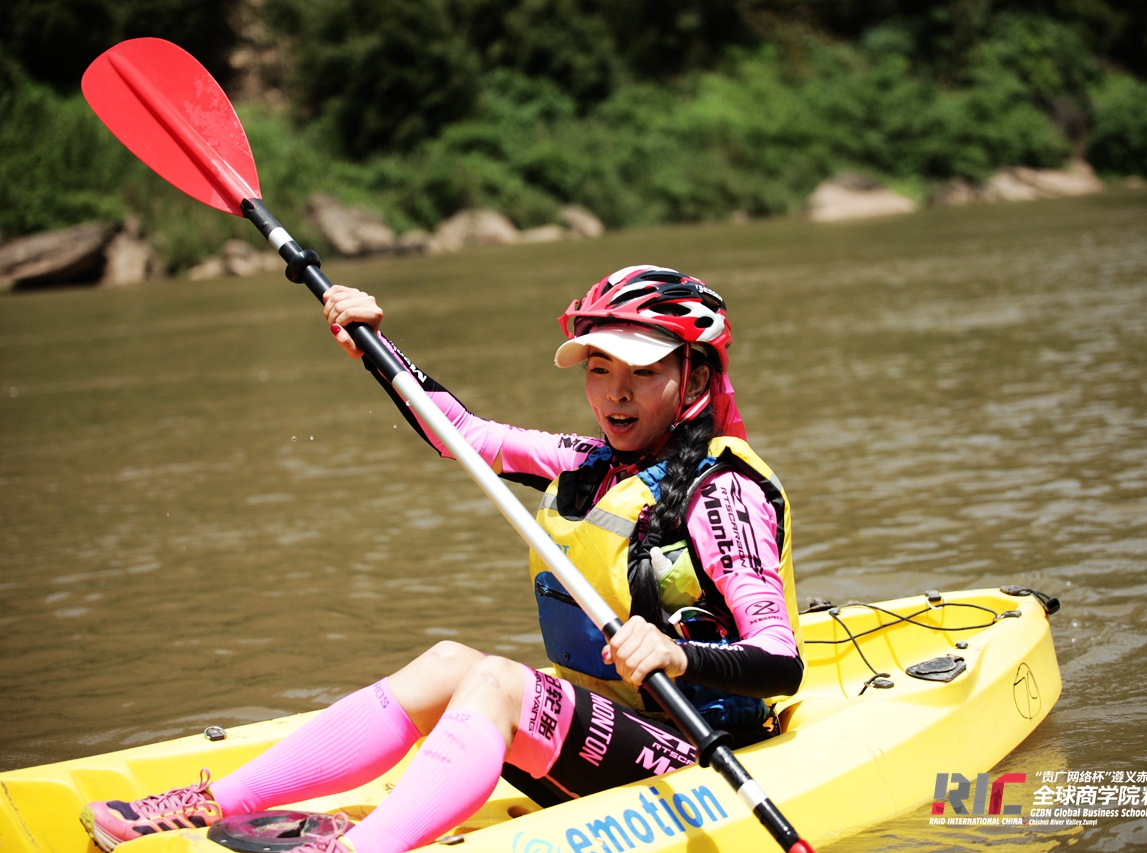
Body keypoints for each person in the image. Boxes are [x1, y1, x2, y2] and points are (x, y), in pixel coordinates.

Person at [80, 266, 805, 853]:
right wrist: (374, 344)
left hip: (698, 751)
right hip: (611, 732)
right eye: (598, 367)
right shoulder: (586, 463)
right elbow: (460, 431)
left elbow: (781, 659)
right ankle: (213, 801)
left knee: (498, 681)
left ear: (696, 379)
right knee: (448, 661)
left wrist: (678, 655)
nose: (614, 392)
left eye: (641, 372)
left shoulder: (723, 493)